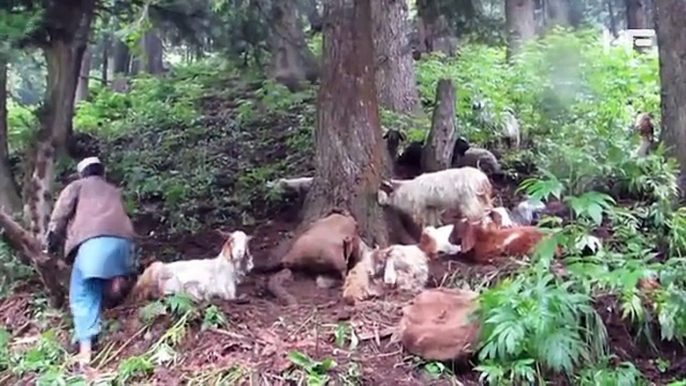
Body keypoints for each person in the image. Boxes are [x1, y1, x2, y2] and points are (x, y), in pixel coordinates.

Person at [43, 156, 136, 370]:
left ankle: (86, 353)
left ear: (82, 174)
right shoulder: (114, 190)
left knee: (82, 292)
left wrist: (51, 243)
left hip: (92, 243)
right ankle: (116, 283)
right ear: (102, 172)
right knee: (104, 276)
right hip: (124, 243)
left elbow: (59, 216)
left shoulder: (76, 187)